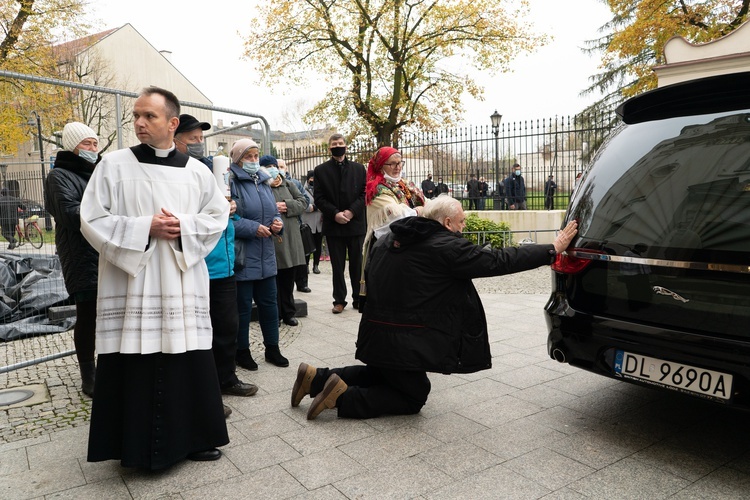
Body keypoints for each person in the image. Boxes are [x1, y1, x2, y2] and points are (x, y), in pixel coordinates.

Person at [291, 195, 578, 420]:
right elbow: (500, 260)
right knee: (414, 395)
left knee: (382, 374)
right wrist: (551, 249)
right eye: (462, 222)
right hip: (405, 336)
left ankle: (317, 377)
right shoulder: (445, 246)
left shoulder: (390, 237)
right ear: (447, 222)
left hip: (377, 332)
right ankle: (340, 398)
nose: (464, 227)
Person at [80, 86, 230, 469]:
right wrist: (146, 227)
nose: (140, 123)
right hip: (135, 284)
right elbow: (91, 219)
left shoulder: (197, 172)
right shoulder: (112, 166)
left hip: (181, 282)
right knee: (137, 361)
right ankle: (130, 444)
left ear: (172, 122)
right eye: (136, 116)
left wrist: (183, 226)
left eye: (150, 116)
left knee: (187, 358)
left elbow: (216, 218)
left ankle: (195, 438)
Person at [174, 114, 258, 417]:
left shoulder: (210, 170)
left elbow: (220, 208)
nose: (199, 144)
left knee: (227, 325)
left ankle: (226, 378)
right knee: (199, 333)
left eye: (200, 138)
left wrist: (230, 207)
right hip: (197, 265)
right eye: (193, 139)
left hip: (224, 263)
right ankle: (204, 391)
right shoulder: (174, 173)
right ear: (175, 137)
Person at [45, 122, 101, 397]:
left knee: (110, 313)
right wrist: (106, 212)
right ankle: (88, 376)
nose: (92, 149)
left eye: (94, 144)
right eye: (86, 144)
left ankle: (110, 366)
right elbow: (68, 213)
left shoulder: (98, 172)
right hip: (80, 254)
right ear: (72, 146)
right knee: (87, 315)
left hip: (104, 251)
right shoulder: (59, 176)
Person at [230, 139, 289, 370]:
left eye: (256, 156)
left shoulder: (264, 182)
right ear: (237, 159)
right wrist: (252, 228)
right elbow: (228, 218)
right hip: (244, 255)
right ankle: (241, 351)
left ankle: (272, 348)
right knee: (243, 307)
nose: (254, 161)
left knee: (269, 304)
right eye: (248, 156)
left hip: (266, 255)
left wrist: (277, 223)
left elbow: (274, 211)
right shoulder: (231, 182)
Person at [313, 133, 366, 314]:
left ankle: (359, 299)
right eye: (334, 144)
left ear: (346, 145)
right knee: (337, 265)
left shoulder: (359, 169)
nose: (338, 146)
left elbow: (364, 194)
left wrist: (351, 211)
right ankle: (339, 300)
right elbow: (319, 198)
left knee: (357, 264)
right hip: (334, 225)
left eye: (341, 143)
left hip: (355, 223)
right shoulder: (321, 170)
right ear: (330, 148)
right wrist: (335, 213)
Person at [261, 155, 308, 327]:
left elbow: (303, 202)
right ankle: (276, 314)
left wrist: (286, 205)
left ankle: (289, 312)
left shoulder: (289, 184)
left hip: (290, 238)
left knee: (288, 277)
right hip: (272, 237)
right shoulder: (261, 187)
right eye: (269, 166)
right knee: (273, 280)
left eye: (275, 165)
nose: (273, 168)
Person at [277, 158, 312, 294]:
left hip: (294, 225)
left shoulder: (294, 183)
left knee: (298, 259)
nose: (279, 169)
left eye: (281, 166)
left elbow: (305, 200)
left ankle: (302, 283)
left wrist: (287, 205)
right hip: (278, 228)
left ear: (286, 169)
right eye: (277, 166)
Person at [300, 170, 323, 275]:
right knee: (308, 245)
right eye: (311, 178)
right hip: (308, 222)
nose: (313, 180)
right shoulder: (302, 190)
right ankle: (306, 265)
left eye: (314, 178)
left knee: (318, 245)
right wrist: (313, 207)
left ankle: (316, 265)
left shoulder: (320, 189)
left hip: (319, 222)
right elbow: (302, 204)